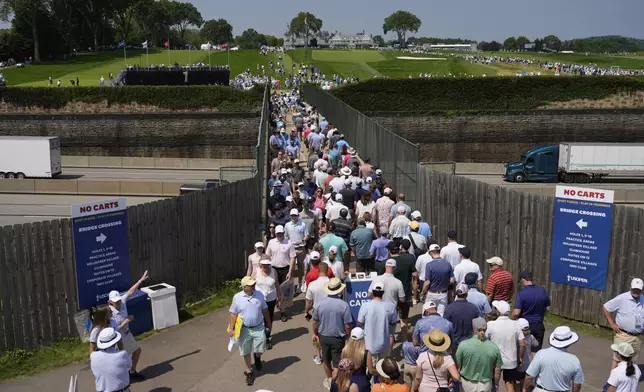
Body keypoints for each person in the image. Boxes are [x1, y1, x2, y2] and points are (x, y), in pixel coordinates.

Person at [229, 276, 272, 386]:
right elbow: (233, 313)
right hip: (244, 329)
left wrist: (269, 322)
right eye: (251, 285)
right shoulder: (237, 297)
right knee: (245, 351)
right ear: (244, 287)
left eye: (254, 284)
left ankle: (257, 357)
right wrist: (232, 327)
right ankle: (249, 372)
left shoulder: (259, 295)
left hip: (258, 327)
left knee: (261, 348)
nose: (253, 286)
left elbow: (265, 309)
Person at [108, 270, 149, 381]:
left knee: (137, 351)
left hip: (126, 334)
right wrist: (127, 321)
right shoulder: (109, 313)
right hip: (116, 339)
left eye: (118, 301)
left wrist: (140, 280)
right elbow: (113, 330)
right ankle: (118, 380)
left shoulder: (122, 301)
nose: (118, 303)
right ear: (110, 302)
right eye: (115, 302)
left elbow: (131, 291)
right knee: (119, 360)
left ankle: (132, 372)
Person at [313, 278, 353, 390]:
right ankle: (335, 384)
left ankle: (329, 379)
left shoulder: (320, 305)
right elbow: (347, 325)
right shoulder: (344, 305)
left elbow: (315, 321)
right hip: (338, 338)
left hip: (323, 336)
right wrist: (348, 336)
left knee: (326, 360)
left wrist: (315, 333)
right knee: (337, 363)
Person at [523, 326, 584, 392]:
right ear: (569, 343)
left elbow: (530, 377)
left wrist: (525, 388)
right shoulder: (574, 361)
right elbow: (577, 384)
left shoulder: (541, 354)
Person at [358, 282, 399, 371]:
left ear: (372, 292)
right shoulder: (390, 306)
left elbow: (359, 323)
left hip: (369, 345)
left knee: (370, 370)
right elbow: (393, 323)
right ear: (383, 292)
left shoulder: (365, 306)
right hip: (384, 344)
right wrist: (391, 336)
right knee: (383, 369)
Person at [487, 300, 525, 392]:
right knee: (510, 383)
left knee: (493, 383)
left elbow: (484, 340)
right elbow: (522, 344)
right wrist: (520, 357)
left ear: (499, 312)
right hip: (511, 360)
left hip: (494, 360)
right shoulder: (516, 324)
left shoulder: (490, 325)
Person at [456, 317, 502, 392]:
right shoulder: (494, 347)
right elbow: (497, 370)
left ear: (473, 329)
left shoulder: (463, 345)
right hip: (485, 385)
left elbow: (458, 365)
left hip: (467, 384)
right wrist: (496, 384)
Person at [602, 278, 644, 361]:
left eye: (638, 290)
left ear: (642, 290)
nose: (636, 291)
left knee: (632, 362)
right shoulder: (622, 298)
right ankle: (614, 374)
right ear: (630, 287)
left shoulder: (643, 299)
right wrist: (611, 323)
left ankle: (629, 374)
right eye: (634, 289)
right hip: (623, 335)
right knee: (618, 360)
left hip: (638, 337)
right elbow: (606, 307)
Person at [512, 270, 551, 352]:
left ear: (523, 280)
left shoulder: (522, 293)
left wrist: (512, 321)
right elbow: (548, 308)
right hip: (538, 326)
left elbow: (516, 313)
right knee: (536, 351)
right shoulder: (542, 291)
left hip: (525, 327)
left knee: (524, 350)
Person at [90, 328, 132, 392]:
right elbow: (129, 365)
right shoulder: (122, 354)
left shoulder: (93, 356)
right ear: (116, 342)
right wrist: (121, 347)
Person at [443, 283, 480, 352]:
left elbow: (445, 327)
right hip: (470, 343)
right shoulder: (473, 308)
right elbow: (478, 325)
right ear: (467, 294)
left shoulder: (449, 308)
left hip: (454, 343)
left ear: (456, 294)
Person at [255, 259, 281, 350]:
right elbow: (252, 284)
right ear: (260, 264)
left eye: (267, 265)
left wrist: (279, 297)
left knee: (269, 319)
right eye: (263, 265)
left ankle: (267, 338)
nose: (265, 267)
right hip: (258, 300)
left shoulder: (274, 271)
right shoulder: (257, 271)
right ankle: (259, 338)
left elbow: (277, 284)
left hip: (271, 299)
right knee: (259, 319)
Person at [421, 246, 454, 316]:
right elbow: (452, 280)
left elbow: (427, 282)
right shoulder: (447, 264)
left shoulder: (429, 265)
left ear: (432, 252)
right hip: (443, 294)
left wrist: (422, 293)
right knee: (441, 315)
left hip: (432, 293)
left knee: (428, 314)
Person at [341, 327, 371, 391]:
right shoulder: (366, 353)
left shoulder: (344, 350)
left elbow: (342, 368)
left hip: (347, 381)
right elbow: (370, 371)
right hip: (362, 382)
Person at [516, 318, 539, 392]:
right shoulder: (530, 336)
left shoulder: (517, 338)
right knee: (523, 378)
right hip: (528, 361)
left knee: (516, 378)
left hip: (519, 360)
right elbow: (536, 344)